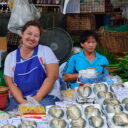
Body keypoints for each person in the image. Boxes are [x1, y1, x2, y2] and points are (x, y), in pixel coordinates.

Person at [4, 20, 60, 111]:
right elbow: (10, 83)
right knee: (12, 115)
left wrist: (36, 99)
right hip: (20, 97)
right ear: (22, 34)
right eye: (29, 34)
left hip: (44, 95)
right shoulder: (11, 57)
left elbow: (52, 77)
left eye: (36, 36)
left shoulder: (46, 51)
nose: (32, 38)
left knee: (42, 113)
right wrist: (23, 102)